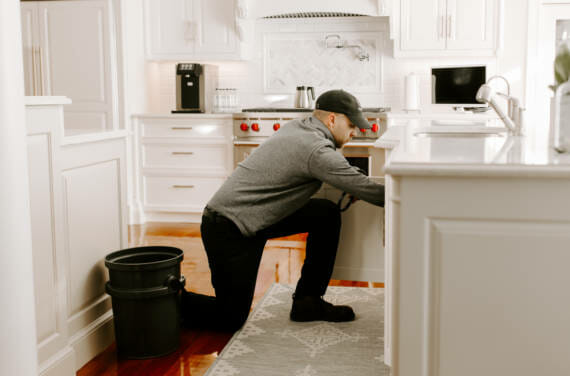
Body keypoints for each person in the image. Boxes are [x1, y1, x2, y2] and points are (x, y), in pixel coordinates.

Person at [180, 89, 385, 331]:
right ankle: (168, 297)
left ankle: (307, 302)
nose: (354, 132)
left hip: (255, 218)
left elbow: (336, 170)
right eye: (351, 125)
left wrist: (352, 180)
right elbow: (372, 192)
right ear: (332, 119)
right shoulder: (316, 150)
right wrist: (416, 196)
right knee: (230, 317)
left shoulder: (301, 127)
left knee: (325, 214)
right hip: (229, 229)